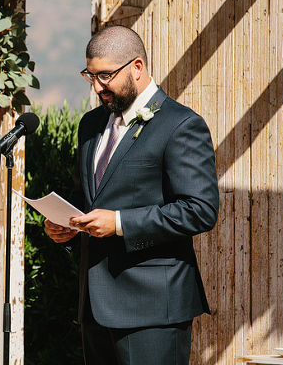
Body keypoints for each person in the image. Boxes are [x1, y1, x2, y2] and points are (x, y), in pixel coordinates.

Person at [42, 25, 219, 365]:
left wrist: (120, 223)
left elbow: (200, 209)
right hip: (94, 307)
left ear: (137, 67)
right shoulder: (90, 124)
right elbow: (88, 196)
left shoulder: (181, 125)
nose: (96, 87)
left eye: (105, 76)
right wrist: (67, 223)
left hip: (153, 309)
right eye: (89, 76)